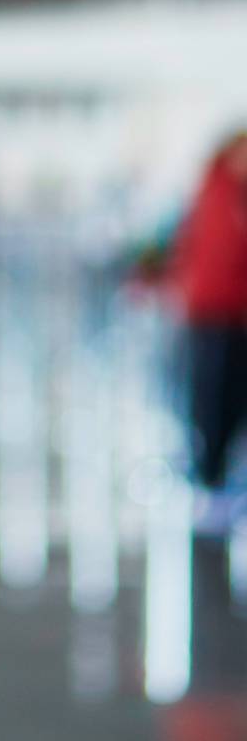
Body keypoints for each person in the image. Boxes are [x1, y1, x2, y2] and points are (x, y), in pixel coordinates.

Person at [164, 128, 247, 534]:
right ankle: (210, 482)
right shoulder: (216, 193)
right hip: (214, 312)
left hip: (236, 312)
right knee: (213, 397)